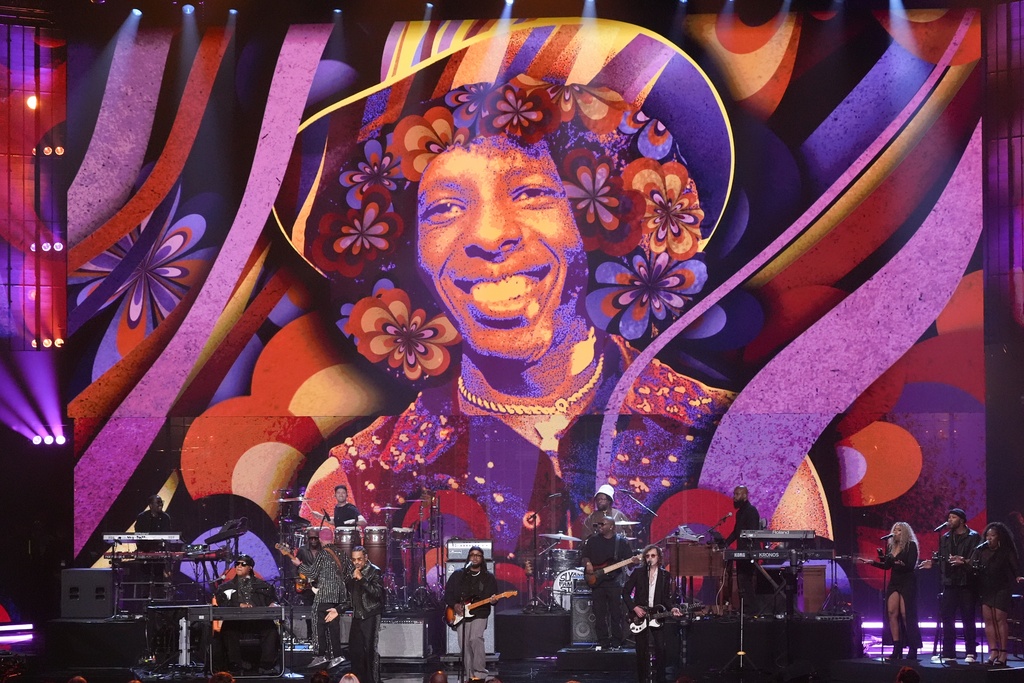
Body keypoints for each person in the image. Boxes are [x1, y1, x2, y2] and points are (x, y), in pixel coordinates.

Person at [286, 57, 735, 587]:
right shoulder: (360, 480)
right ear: (406, 255)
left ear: (601, 218)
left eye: (531, 192)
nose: (492, 233)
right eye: (445, 208)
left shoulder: (728, 435)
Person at [918, 507, 981, 663]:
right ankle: (948, 652)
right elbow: (943, 558)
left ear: (961, 519)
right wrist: (932, 563)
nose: (949, 520)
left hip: (967, 582)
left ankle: (971, 652)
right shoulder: (945, 537)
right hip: (950, 583)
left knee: (968, 618)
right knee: (947, 617)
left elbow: (977, 560)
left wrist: (964, 561)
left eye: (953, 517)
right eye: (949, 517)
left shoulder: (973, 537)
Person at [857, 522, 922, 661]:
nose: (895, 532)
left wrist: (898, 562)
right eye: (894, 530)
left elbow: (910, 565)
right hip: (894, 581)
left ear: (904, 532)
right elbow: (887, 566)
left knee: (906, 614)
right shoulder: (891, 546)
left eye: (898, 530)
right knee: (892, 612)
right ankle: (896, 647)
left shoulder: (911, 545)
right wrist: (873, 562)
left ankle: (913, 647)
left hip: (907, 581)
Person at [622, 544, 684, 683]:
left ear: (659, 558)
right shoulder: (638, 572)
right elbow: (625, 592)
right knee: (641, 649)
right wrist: (634, 608)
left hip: (656, 615)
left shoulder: (664, 575)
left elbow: (666, 598)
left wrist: (672, 608)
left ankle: (660, 678)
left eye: (653, 555)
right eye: (647, 556)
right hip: (640, 615)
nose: (650, 558)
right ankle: (642, 679)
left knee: (661, 648)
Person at [213, 555, 279, 675]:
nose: (239, 566)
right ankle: (235, 666)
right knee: (228, 629)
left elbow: (272, 601)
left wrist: (272, 604)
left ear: (250, 568)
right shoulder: (226, 587)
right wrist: (239, 604)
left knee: (271, 629)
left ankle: (266, 666)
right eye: (237, 564)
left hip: (258, 621)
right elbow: (222, 602)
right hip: (236, 622)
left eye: (243, 564)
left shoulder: (263, 586)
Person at [292, 533, 350, 669]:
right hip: (338, 593)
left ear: (321, 540)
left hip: (326, 594)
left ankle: (323, 655)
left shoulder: (323, 554)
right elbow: (349, 572)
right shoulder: (341, 553)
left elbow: (312, 573)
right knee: (331, 623)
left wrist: (299, 565)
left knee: (319, 623)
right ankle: (334, 655)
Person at [581, 517, 638, 650]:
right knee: (599, 613)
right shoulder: (593, 540)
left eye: (602, 524)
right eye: (599, 523)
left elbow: (629, 563)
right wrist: (588, 563)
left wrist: (634, 562)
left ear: (611, 526)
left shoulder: (621, 542)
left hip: (614, 582)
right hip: (597, 582)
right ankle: (603, 641)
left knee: (615, 613)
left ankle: (617, 640)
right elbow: (584, 556)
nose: (599, 526)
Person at [972, 522, 1024, 666]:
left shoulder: (1006, 551)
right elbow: (973, 564)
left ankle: (1003, 652)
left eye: (993, 535)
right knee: (988, 619)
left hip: (1002, 588)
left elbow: (1015, 569)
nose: (989, 538)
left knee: (999, 618)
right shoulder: (981, 551)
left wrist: (1018, 577)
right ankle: (993, 651)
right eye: (987, 535)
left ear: (999, 537)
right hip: (986, 588)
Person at [444, 546, 499, 682]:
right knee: (464, 644)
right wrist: (455, 605)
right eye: (472, 555)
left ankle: (480, 673)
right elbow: (447, 595)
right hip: (461, 614)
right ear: (468, 558)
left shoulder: (488, 578)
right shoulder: (458, 575)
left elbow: (493, 599)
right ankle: (470, 674)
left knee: (475, 638)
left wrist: (493, 600)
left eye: (478, 555)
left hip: (480, 613)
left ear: (482, 559)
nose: (474, 557)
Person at [338, 546, 384, 683]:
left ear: (365, 558)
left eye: (359, 559)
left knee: (369, 651)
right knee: (356, 651)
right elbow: (350, 597)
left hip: (370, 614)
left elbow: (377, 593)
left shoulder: (374, 571)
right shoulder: (351, 572)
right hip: (357, 616)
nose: (356, 562)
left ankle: (373, 681)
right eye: (354, 560)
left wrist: (362, 579)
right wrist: (338, 609)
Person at [722, 485, 761, 611]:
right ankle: (745, 609)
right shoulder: (739, 513)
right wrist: (724, 544)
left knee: (746, 581)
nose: (734, 497)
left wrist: (746, 550)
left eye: (737, 494)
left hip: (749, 552)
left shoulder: (751, 511)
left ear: (745, 495)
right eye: (734, 494)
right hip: (741, 552)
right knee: (741, 581)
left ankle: (752, 610)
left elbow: (752, 533)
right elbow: (736, 532)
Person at [134, 494, 174, 581]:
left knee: (159, 579)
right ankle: (145, 594)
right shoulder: (142, 517)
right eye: (158, 502)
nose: (161, 504)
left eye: (161, 502)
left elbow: (167, 535)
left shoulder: (165, 518)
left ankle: (158, 594)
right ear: (150, 505)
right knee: (145, 579)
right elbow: (138, 535)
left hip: (160, 553)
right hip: (145, 552)